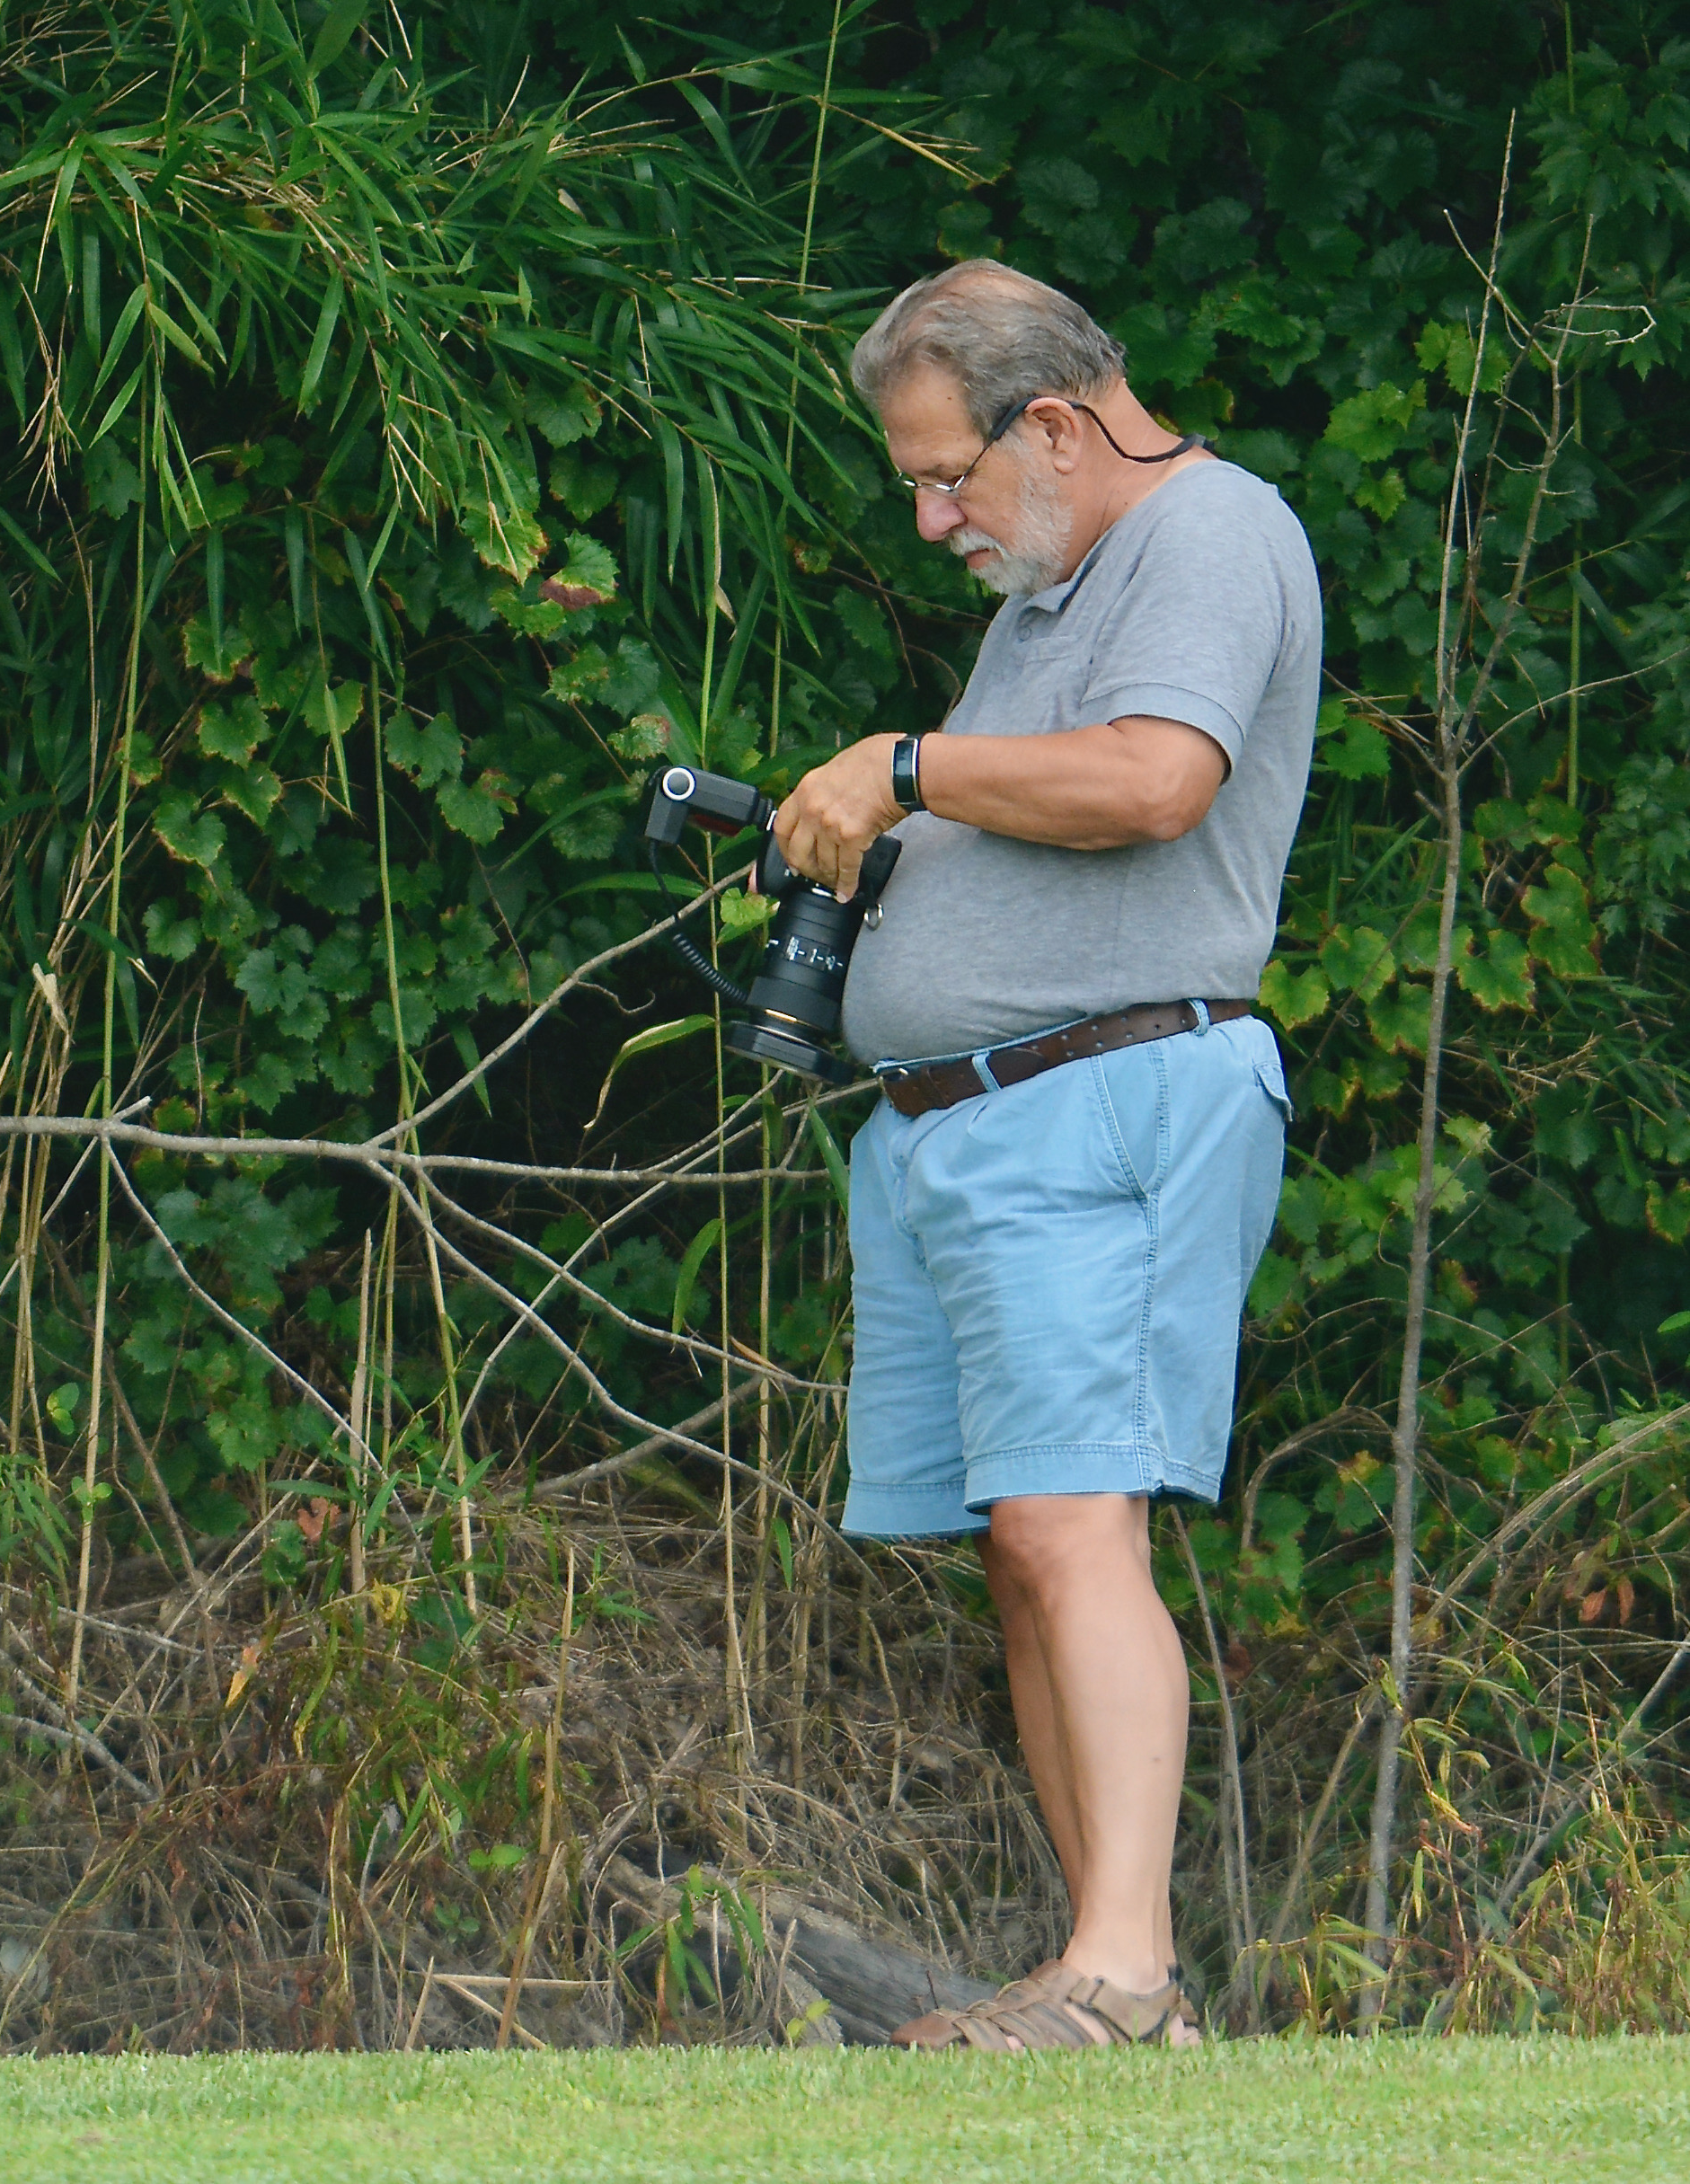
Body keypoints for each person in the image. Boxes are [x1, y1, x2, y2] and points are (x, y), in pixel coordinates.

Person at [771, 261, 1320, 2053]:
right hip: (960, 1128)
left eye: (947, 476)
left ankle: (1122, 1964)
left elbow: (1158, 779)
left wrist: (904, 766)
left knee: (1075, 1519)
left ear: (1057, 426)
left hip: (1108, 1097)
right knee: (1017, 1540)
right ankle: (1099, 1987)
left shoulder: (1209, 534)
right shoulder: (1050, 582)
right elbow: (1024, 801)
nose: (931, 518)